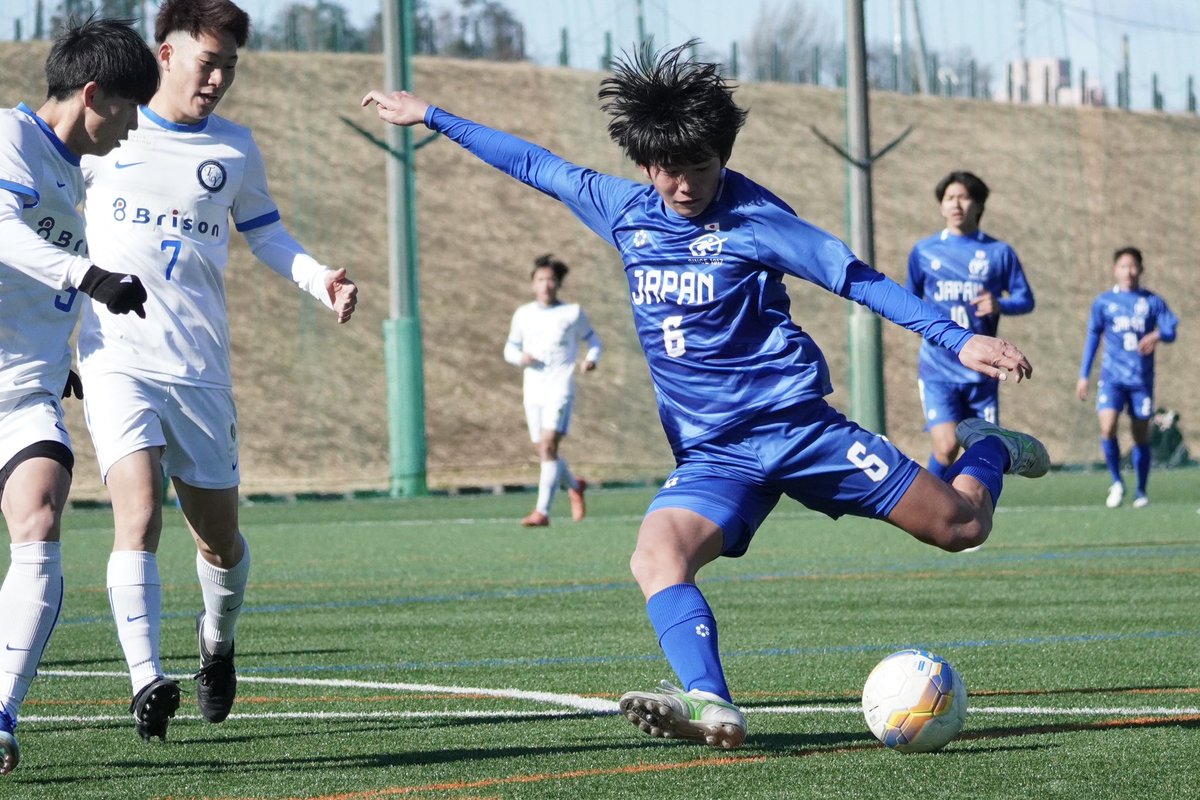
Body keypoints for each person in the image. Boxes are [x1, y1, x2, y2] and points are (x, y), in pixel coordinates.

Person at [363, 40, 1049, 750]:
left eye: (701, 167)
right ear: (644, 163)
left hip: (797, 430)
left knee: (961, 528)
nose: (686, 184)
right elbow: (535, 164)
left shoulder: (758, 220)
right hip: (714, 454)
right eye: (669, 169)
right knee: (655, 556)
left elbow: (854, 277)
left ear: (723, 156)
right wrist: (432, 115)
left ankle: (991, 448)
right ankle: (710, 702)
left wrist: (956, 338)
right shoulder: (623, 210)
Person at [78, 0, 358, 742]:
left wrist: (319, 279)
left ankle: (216, 638)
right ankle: (145, 681)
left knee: (219, 544)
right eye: (209, 63)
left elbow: (267, 235)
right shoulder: (104, 136)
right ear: (165, 55)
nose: (219, 79)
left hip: (199, 369)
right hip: (117, 360)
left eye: (230, 66)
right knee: (137, 517)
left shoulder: (234, 148)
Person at [0, 17, 158, 774]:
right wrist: (89, 276)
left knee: (40, 514)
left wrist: (55, 360)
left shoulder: (78, 176)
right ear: (92, 95)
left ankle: (0, 710)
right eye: (127, 109)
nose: (132, 128)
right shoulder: (9, 136)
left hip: (24, 390)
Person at [906, 171, 1035, 479]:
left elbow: (1026, 299)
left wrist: (1000, 304)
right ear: (941, 206)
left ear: (978, 205)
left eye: (963, 197)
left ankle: (966, 502)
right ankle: (930, 499)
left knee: (984, 449)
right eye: (949, 198)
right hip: (938, 368)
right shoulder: (924, 251)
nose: (956, 204)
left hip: (983, 371)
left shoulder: (998, 252)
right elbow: (908, 302)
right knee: (946, 446)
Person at [504, 253, 602, 527]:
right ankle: (575, 485)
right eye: (540, 279)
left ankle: (542, 512)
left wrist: (591, 359)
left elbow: (594, 341)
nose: (545, 285)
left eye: (550, 280)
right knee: (545, 451)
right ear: (532, 284)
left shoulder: (572, 313)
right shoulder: (523, 314)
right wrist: (520, 358)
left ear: (558, 283)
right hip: (533, 390)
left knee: (548, 446)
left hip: (560, 387)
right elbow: (509, 348)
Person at [1076, 246, 1177, 508]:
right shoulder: (1104, 303)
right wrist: (1084, 375)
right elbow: (1092, 338)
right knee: (1107, 427)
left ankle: (1141, 490)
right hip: (1112, 378)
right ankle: (1117, 481)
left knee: (1140, 435)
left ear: (1141, 269)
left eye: (1133, 266)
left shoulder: (1151, 302)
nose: (1128, 271)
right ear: (1115, 270)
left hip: (1141, 381)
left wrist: (1157, 335)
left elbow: (1171, 329)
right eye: (1123, 266)